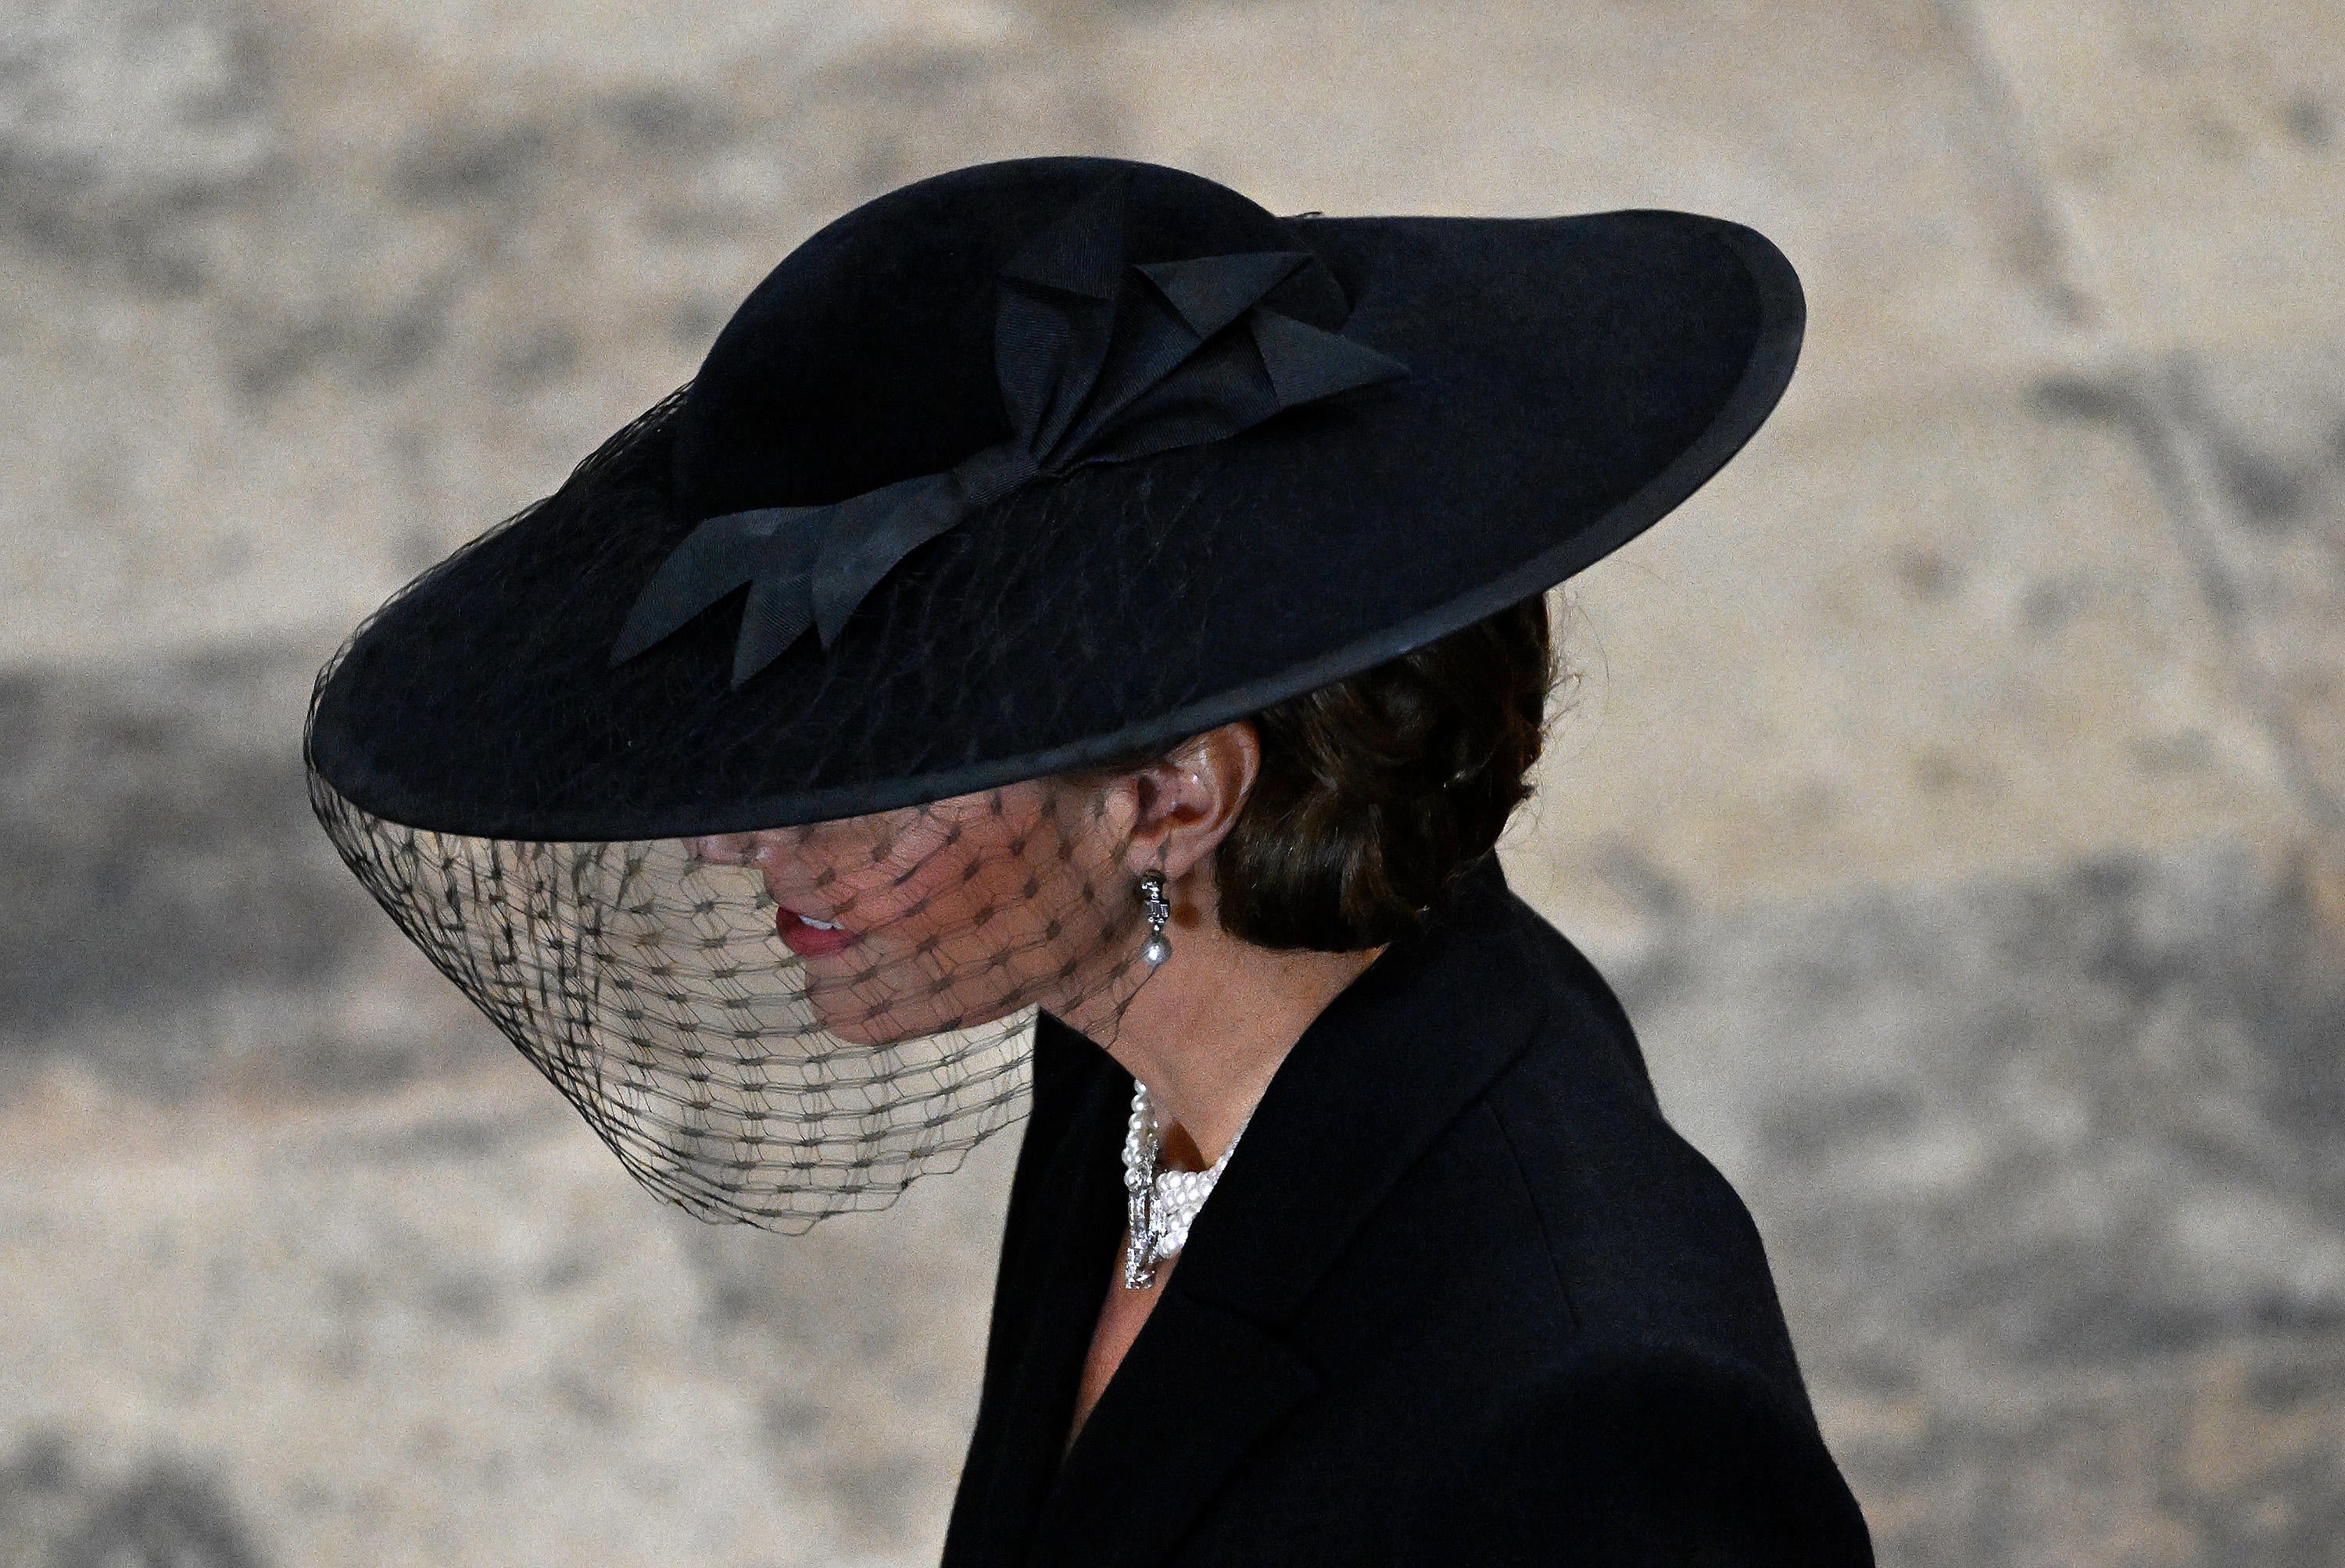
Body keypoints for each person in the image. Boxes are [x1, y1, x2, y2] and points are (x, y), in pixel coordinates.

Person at [306, 156, 1874, 1563]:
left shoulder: (1603, 1434)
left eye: (874, 776)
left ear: (1176, 798)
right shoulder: (1132, 1048)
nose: (737, 838)